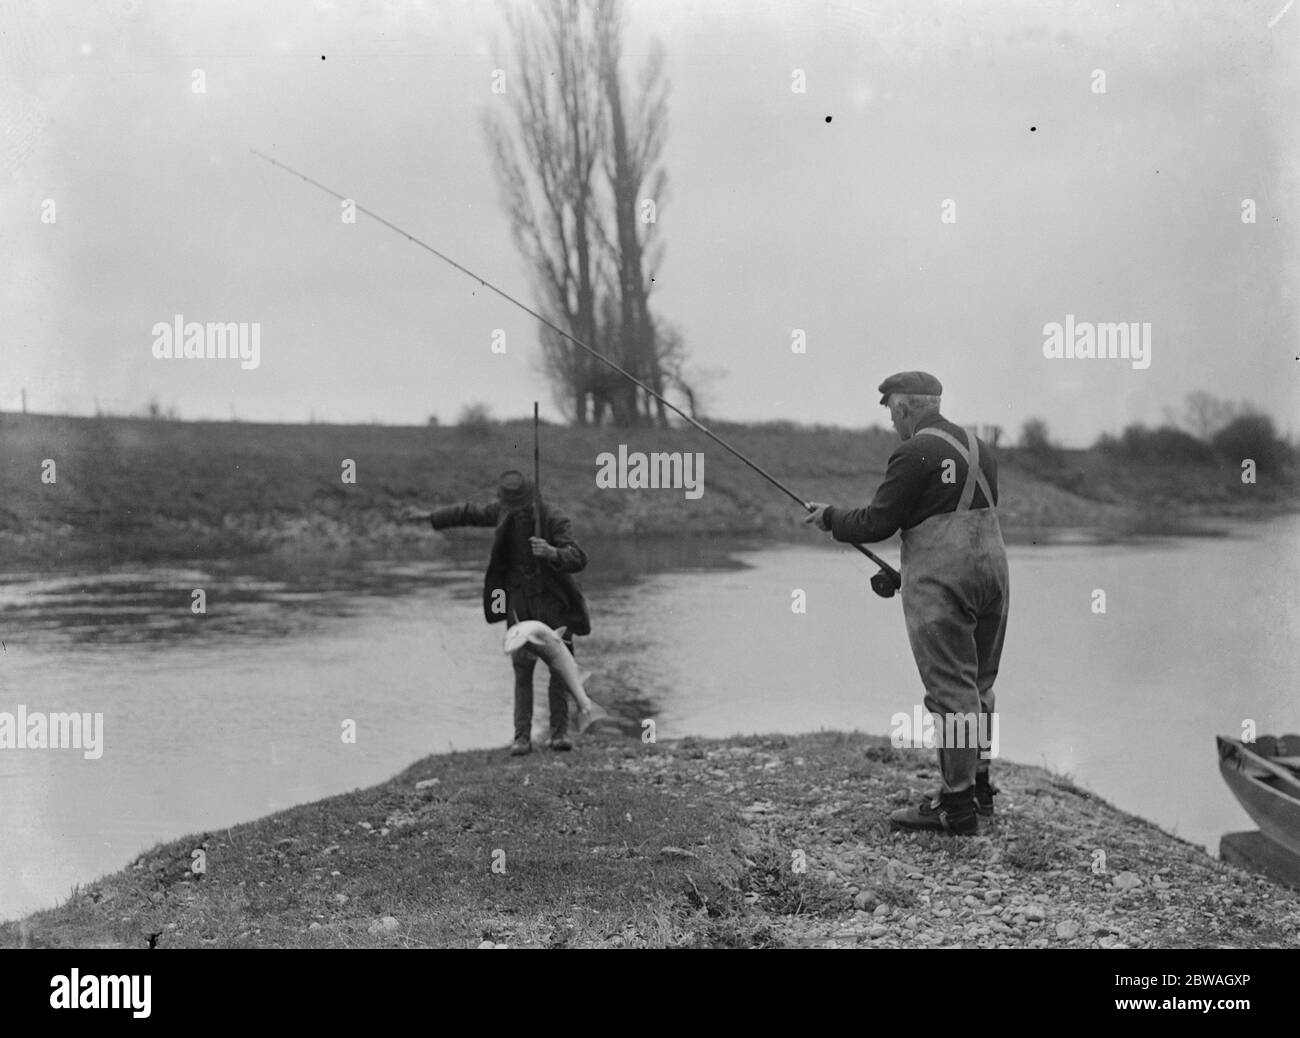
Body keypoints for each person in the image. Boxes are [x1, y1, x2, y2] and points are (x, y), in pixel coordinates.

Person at [805, 372, 1010, 835]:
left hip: (945, 582)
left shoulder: (912, 452)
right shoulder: (982, 447)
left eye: (892, 411)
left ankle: (955, 808)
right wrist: (911, 572)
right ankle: (979, 789)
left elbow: (879, 522)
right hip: (993, 573)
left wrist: (830, 518)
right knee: (980, 683)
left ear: (906, 408)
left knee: (951, 693)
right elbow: (952, 519)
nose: (892, 421)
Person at [408, 470, 591, 756]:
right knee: (522, 668)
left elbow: (578, 557)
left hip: (554, 604)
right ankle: (521, 738)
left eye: (520, 507)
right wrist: (431, 518)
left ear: (532, 499)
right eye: (510, 507)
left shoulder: (555, 518)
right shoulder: (503, 512)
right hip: (519, 603)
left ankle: (559, 734)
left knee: (560, 672)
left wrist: (552, 552)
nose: (515, 512)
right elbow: (468, 513)